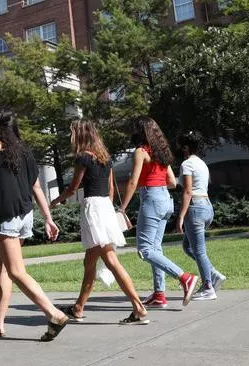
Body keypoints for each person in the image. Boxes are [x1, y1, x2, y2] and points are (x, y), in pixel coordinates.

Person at [0, 108, 69, 341]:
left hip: (5, 216)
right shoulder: (24, 150)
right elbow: (36, 187)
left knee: (16, 271)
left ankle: (53, 313)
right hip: (25, 214)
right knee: (3, 267)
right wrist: (48, 218)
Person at [50, 120, 148, 324]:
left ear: (81, 135)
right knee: (89, 262)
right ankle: (78, 307)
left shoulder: (83, 158)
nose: (71, 137)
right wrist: (108, 212)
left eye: (73, 133)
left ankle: (138, 307)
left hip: (93, 208)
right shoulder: (106, 159)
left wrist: (55, 201)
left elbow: (72, 188)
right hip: (104, 206)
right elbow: (111, 190)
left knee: (111, 261)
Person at [119, 116, 199, 309]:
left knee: (145, 250)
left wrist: (122, 209)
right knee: (155, 249)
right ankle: (159, 294)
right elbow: (172, 182)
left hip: (152, 199)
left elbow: (132, 182)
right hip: (165, 199)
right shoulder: (161, 152)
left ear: (139, 132)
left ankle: (185, 278)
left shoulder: (141, 152)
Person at [175, 132, 226, 300]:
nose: (181, 150)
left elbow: (188, 191)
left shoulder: (187, 164)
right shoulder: (202, 163)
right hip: (207, 207)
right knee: (188, 247)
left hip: (195, 208)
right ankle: (213, 274)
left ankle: (208, 287)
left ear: (186, 147)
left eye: (182, 147)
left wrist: (181, 216)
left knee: (199, 251)